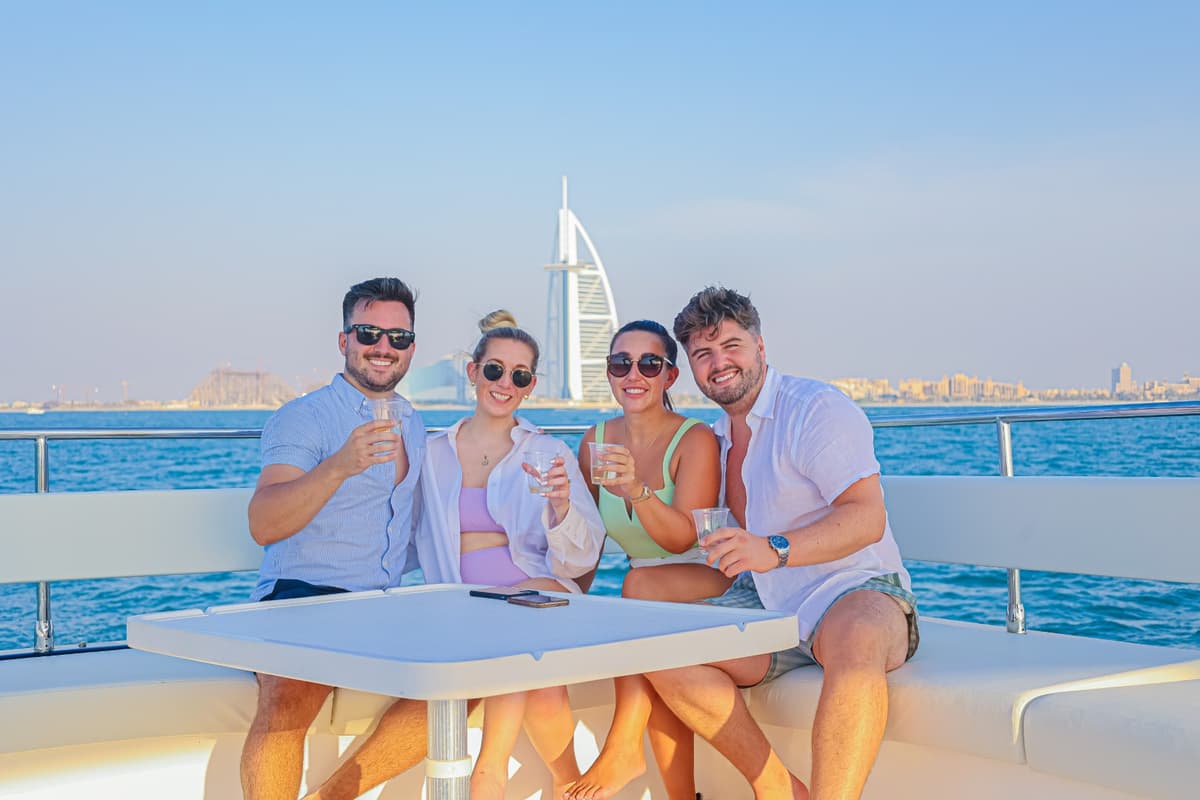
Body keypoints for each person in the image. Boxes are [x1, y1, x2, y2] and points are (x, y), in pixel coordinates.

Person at [644, 287, 920, 800]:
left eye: (731, 346)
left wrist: (773, 549)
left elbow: (867, 518)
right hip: (769, 602)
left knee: (856, 642)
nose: (719, 363)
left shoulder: (814, 409)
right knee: (661, 652)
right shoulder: (716, 437)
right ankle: (778, 790)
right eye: (703, 354)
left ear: (760, 346)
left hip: (854, 586)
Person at [240, 277, 430, 800]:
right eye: (369, 332)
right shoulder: (304, 417)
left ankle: (332, 795)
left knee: (469, 678)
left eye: (399, 337)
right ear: (343, 340)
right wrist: (339, 467)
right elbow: (263, 522)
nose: (384, 347)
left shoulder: (413, 423)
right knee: (288, 696)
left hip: (382, 603)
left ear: (412, 347)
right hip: (304, 595)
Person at [414, 310, 606, 800]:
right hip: (460, 602)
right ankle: (567, 780)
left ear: (530, 386)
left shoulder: (549, 452)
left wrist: (561, 505)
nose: (505, 383)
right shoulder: (431, 453)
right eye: (495, 369)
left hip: (537, 592)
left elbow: (581, 559)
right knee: (540, 683)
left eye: (519, 376)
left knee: (518, 610)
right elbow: (400, 533)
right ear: (473, 371)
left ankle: (488, 773)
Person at [566, 320, 730, 800]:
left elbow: (684, 540)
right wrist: (571, 597)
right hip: (649, 600)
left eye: (649, 363)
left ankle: (622, 747)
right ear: (610, 372)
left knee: (638, 596)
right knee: (645, 625)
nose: (633, 373)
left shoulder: (695, 438)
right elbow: (590, 536)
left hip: (712, 578)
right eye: (621, 363)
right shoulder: (594, 439)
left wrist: (636, 491)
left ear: (669, 377)